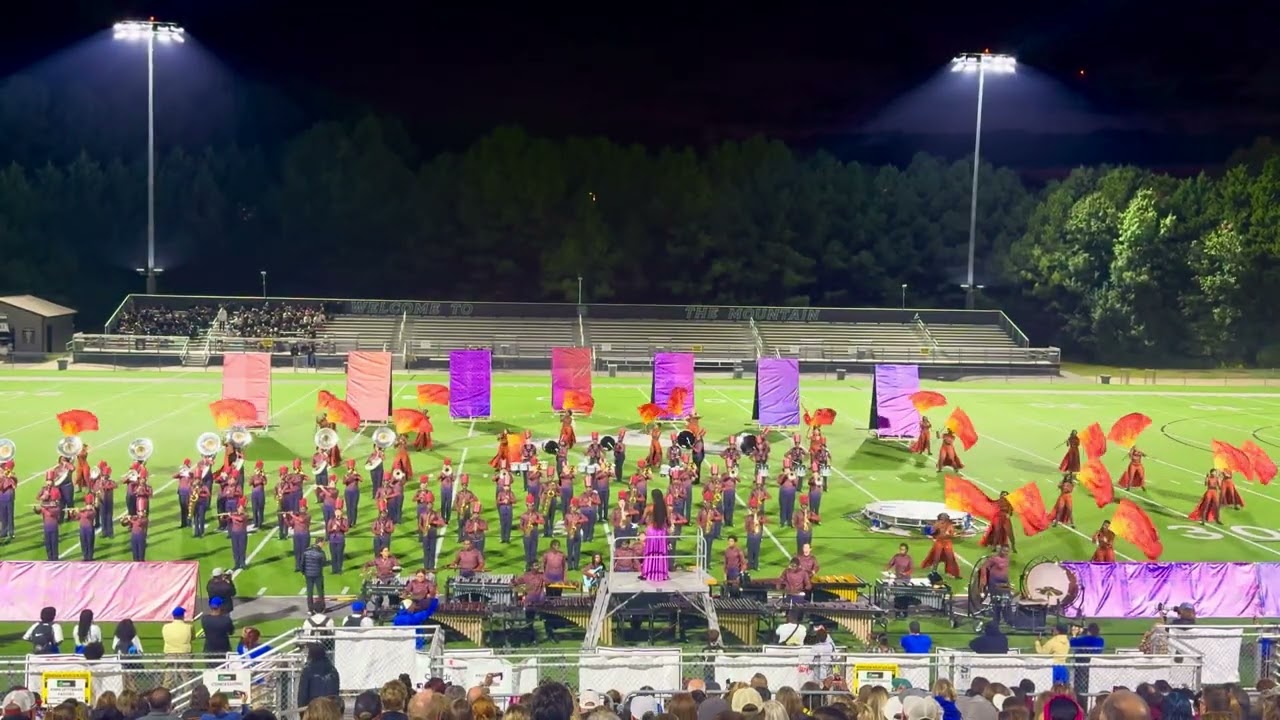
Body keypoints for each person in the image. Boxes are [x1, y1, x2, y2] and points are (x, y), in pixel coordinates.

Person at [297, 644, 341, 709]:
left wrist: (301, 711)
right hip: (330, 709)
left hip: (313, 709)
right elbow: (336, 694)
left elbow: (303, 694)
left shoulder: (308, 670)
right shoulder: (333, 670)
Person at [641, 488, 670, 582]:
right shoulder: (665, 508)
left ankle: (648, 572)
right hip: (661, 533)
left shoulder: (649, 507)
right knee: (660, 553)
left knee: (650, 552)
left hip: (652, 532)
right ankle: (661, 574)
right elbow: (668, 521)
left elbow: (642, 520)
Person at [922, 513, 961, 579]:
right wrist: (935, 532)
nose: (942, 520)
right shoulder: (937, 524)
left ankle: (952, 573)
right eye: (941, 519)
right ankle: (934, 571)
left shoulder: (949, 525)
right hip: (939, 542)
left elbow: (951, 534)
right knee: (936, 557)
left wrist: (952, 534)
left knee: (950, 557)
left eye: (944, 519)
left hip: (947, 542)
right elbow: (932, 533)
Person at [302, 539, 327, 608]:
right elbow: (324, 563)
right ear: (319, 543)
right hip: (318, 574)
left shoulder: (306, 551)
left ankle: (310, 608)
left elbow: (302, 563)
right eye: (323, 543)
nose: (323, 545)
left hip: (308, 574)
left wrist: (303, 573)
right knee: (320, 591)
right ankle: (322, 607)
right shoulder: (321, 553)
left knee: (309, 592)